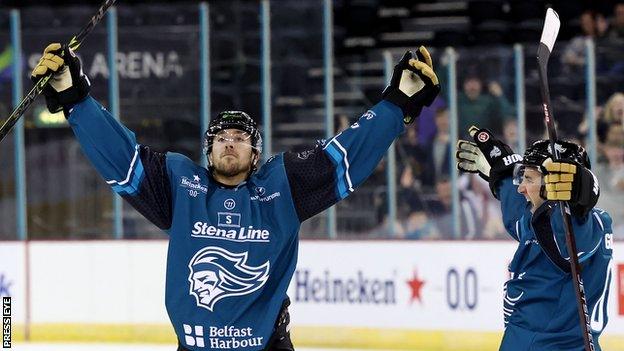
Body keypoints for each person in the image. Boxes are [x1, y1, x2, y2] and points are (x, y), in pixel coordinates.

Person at [30, 43, 440, 351]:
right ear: (207, 151)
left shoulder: (283, 186)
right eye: (221, 138)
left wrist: (396, 103)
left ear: (255, 153)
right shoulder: (180, 186)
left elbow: (346, 154)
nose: (230, 144)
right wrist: (74, 97)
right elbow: (121, 157)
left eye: (240, 138)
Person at [456, 126, 614, 350]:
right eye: (521, 177)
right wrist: (502, 173)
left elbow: (569, 235)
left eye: (528, 178)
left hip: (546, 344)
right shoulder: (535, 220)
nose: (520, 188)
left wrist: (579, 194)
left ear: (557, 184)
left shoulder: (584, 226)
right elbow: (517, 215)